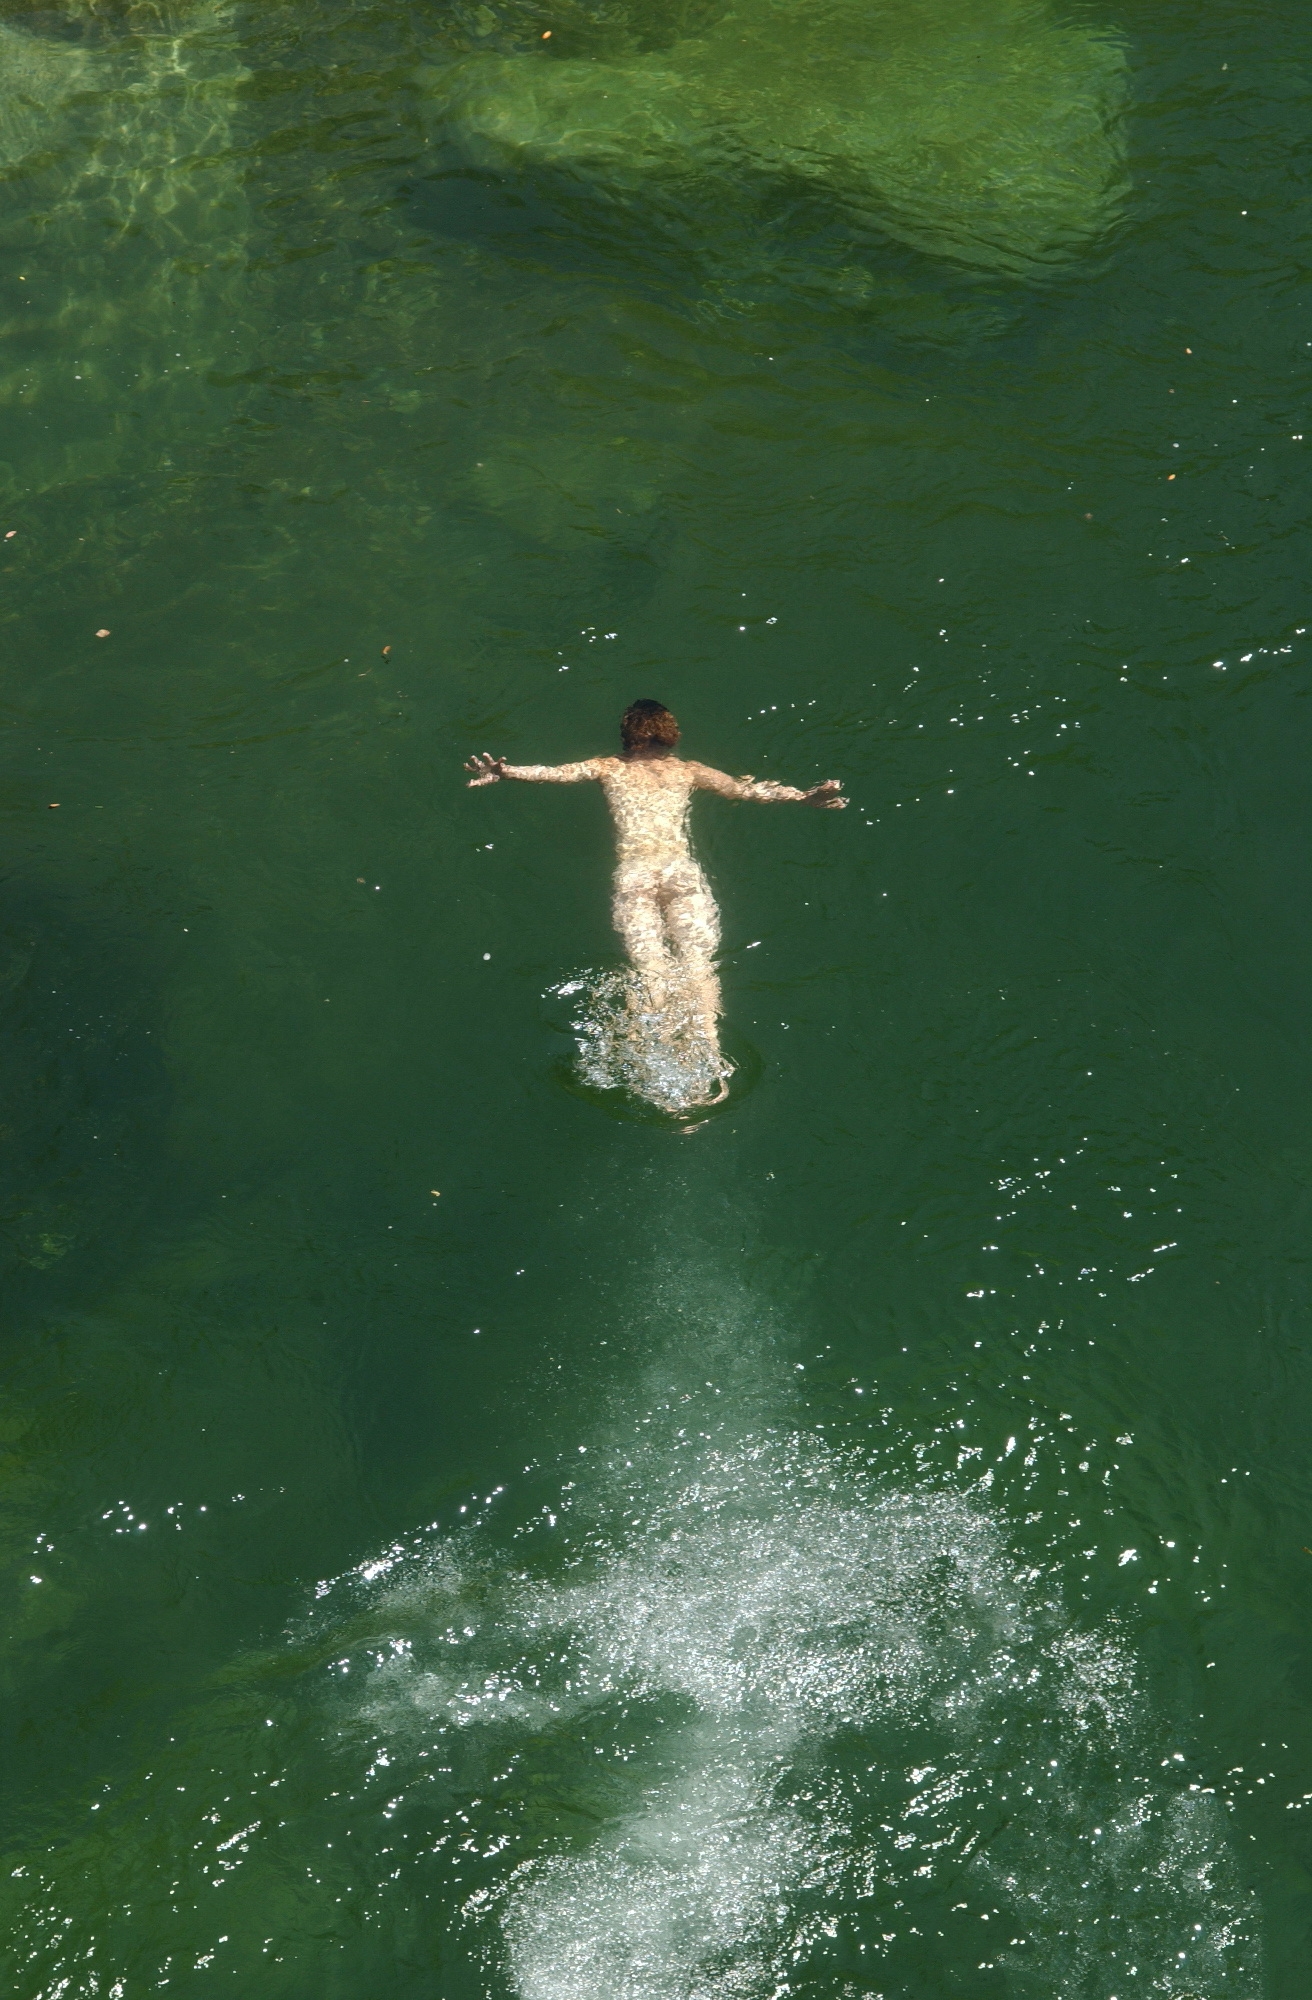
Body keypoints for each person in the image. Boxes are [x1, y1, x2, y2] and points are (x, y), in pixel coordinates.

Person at [466, 700, 846, 1101]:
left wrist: (506, 772)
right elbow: (747, 791)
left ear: (627, 736)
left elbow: (554, 774)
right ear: (671, 734)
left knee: (651, 967)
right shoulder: (689, 771)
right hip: (680, 873)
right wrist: (802, 797)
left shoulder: (607, 766)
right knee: (697, 964)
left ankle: (656, 1058)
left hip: (635, 876)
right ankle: (709, 1061)